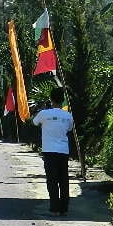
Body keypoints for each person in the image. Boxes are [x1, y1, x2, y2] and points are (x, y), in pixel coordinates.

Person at [31, 86, 74, 215]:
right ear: (62, 100)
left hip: (49, 151)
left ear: (51, 99)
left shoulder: (44, 114)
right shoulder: (68, 115)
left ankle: (54, 208)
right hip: (63, 151)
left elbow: (34, 122)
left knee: (52, 180)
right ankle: (64, 209)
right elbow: (69, 129)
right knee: (63, 180)